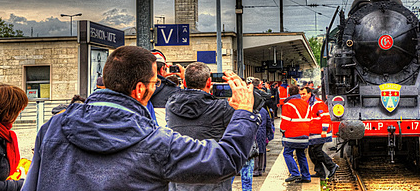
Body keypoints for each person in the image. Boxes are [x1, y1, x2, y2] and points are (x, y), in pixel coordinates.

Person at [22, 45, 259, 191]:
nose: (156, 89)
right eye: (155, 84)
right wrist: (244, 113)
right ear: (139, 89)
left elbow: (31, 185)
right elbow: (224, 160)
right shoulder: (156, 142)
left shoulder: (53, 127)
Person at [165, 62, 236, 191]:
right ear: (209, 82)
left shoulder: (171, 105)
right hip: (213, 177)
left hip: (179, 178)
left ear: (184, 83)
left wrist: (186, 79)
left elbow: (182, 95)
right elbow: (255, 105)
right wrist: (237, 84)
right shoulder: (222, 108)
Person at [300, 86, 338, 180]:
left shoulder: (317, 104)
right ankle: (320, 172)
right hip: (313, 133)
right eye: (301, 94)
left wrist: (324, 130)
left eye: (304, 94)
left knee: (317, 151)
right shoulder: (308, 103)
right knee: (312, 153)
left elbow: (325, 117)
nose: (302, 96)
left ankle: (332, 166)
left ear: (309, 93)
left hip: (321, 132)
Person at [280, 84, 311, 184]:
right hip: (305, 134)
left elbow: (285, 122)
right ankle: (306, 176)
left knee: (287, 153)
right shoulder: (306, 104)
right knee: (301, 154)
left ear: (289, 93)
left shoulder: (288, 105)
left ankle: (295, 173)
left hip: (293, 135)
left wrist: (282, 130)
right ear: (298, 93)